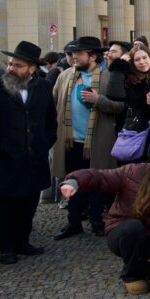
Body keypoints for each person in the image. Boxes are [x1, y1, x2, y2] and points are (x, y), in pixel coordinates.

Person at [0, 41, 58, 265]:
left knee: (28, 202)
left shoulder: (45, 87)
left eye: (17, 65)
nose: (10, 69)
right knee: (4, 204)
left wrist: (45, 142)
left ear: (31, 68)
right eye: (10, 64)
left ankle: (22, 242)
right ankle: (6, 247)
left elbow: (50, 121)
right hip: (6, 157)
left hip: (34, 157)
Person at [59, 146, 150, 294]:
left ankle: (145, 265)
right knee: (133, 228)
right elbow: (101, 177)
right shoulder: (134, 172)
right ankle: (132, 276)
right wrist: (74, 182)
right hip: (122, 230)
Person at [51, 36, 124, 239]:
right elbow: (53, 102)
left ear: (92, 56)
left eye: (79, 53)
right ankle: (73, 223)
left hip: (98, 142)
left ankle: (96, 221)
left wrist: (98, 100)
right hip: (70, 141)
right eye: (73, 53)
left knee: (97, 184)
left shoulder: (110, 77)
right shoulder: (65, 76)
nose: (74, 57)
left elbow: (120, 107)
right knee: (71, 182)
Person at [107, 47, 150, 165]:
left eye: (144, 57)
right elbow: (113, 94)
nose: (142, 62)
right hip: (136, 132)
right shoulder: (130, 80)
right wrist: (120, 66)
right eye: (137, 60)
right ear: (132, 63)